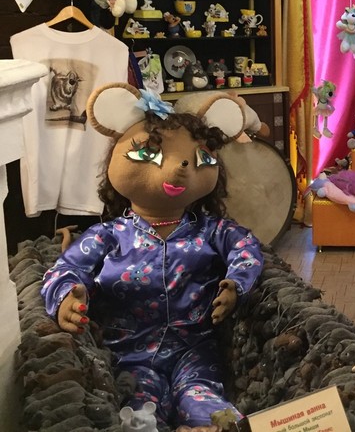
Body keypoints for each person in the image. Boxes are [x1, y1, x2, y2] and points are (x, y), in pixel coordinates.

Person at [41, 84, 264, 432]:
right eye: (149, 154)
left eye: (200, 159)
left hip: (196, 351)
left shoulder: (211, 230)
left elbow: (246, 247)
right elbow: (67, 267)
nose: (180, 167)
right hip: (129, 354)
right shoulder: (109, 235)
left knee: (207, 405)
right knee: (138, 411)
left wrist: (236, 283)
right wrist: (66, 296)